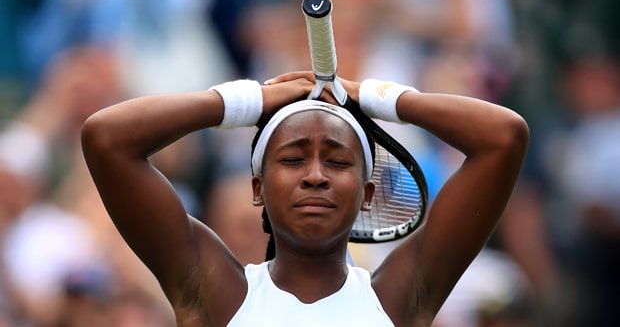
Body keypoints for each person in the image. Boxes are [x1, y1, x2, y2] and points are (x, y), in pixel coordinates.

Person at [81, 70, 529, 326]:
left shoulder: (399, 297)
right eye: (293, 160)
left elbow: (504, 137)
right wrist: (251, 99)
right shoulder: (216, 292)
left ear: (368, 193)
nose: (315, 176)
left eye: (336, 162)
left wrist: (370, 96)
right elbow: (106, 139)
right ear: (257, 188)